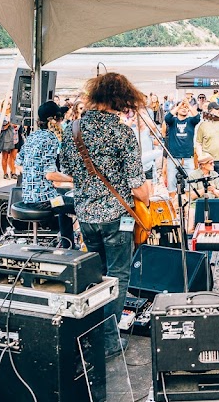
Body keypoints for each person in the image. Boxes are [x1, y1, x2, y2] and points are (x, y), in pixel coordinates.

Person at [60, 74, 151, 334]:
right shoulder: (122, 133)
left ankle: (94, 332)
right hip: (116, 217)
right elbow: (136, 184)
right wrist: (147, 200)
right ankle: (110, 338)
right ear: (122, 99)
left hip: (86, 215)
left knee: (95, 275)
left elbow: (67, 169)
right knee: (118, 275)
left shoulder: (73, 130)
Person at [16, 100, 74, 246]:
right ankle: (75, 247)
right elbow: (50, 175)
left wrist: (33, 175)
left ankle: (68, 245)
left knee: (63, 202)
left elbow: (18, 164)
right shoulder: (51, 138)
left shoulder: (32, 136)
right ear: (56, 120)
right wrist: (74, 179)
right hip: (45, 202)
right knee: (79, 203)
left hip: (29, 198)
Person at [162, 98, 201, 196]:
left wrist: (189, 106)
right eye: (181, 107)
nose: (184, 109)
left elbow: (197, 117)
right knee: (171, 185)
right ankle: (174, 208)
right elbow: (167, 118)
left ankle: (187, 208)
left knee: (190, 186)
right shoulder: (172, 121)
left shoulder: (191, 121)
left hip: (188, 158)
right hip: (173, 158)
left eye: (185, 108)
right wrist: (178, 106)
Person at [194, 101, 219, 196]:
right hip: (208, 161)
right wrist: (201, 157)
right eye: (217, 109)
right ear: (210, 111)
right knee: (209, 185)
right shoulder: (203, 125)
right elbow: (198, 143)